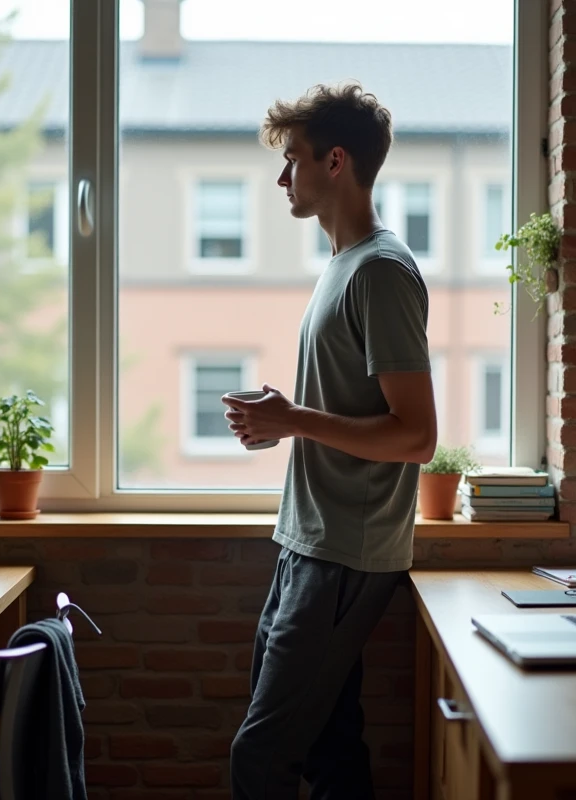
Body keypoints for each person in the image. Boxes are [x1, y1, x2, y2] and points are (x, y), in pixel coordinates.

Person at [222, 82, 437, 800]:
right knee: (330, 746)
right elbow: (353, 410)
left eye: (293, 161)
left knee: (260, 757)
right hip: (312, 542)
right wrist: (281, 420)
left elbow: (417, 436)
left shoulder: (379, 271)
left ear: (336, 161)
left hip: (345, 554)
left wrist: (294, 421)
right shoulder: (343, 265)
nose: (283, 178)